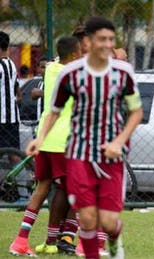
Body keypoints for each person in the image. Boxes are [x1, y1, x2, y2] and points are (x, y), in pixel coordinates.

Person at [26, 16, 143, 259]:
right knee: (87, 217)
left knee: (109, 221)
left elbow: (136, 112)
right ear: (88, 43)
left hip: (110, 153)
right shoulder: (69, 74)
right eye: (102, 39)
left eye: (111, 39)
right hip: (79, 152)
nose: (107, 44)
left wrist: (119, 142)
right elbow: (54, 112)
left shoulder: (123, 73)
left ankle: (114, 242)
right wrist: (41, 138)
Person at [9, 37, 82, 257]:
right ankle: (73, 239)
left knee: (42, 188)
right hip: (64, 140)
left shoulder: (50, 69)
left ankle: (22, 240)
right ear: (74, 54)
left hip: (45, 137)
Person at [0, 31, 21, 150]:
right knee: (14, 153)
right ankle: (18, 169)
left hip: (2, 119)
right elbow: (18, 92)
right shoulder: (11, 64)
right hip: (13, 118)